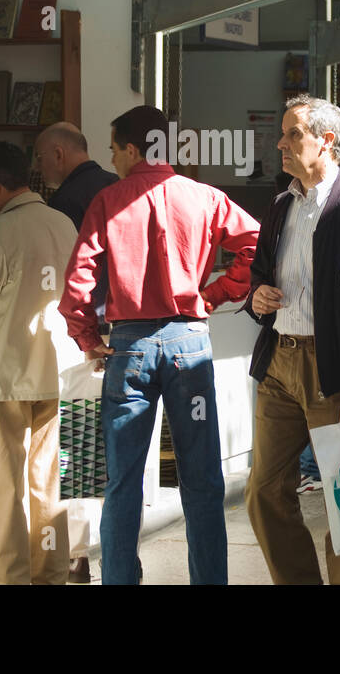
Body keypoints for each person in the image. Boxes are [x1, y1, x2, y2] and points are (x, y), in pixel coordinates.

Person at [58, 105, 260, 585]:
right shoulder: (206, 196)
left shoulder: (108, 201)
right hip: (189, 343)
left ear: (131, 148)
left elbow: (77, 284)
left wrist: (87, 337)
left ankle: (121, 579)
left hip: (128, 348)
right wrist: (212, 294)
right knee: (203, 480)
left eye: (113, 148)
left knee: (123, 482)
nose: (113, 158)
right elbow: (255, 245)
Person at [243, 94, 340, 585]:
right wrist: (258, 297)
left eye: (294, 134)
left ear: (327, 142)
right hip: (278, 366)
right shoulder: (279, 206)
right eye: (284, 134)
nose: (282, 144)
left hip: (332, 372)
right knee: (264, 493)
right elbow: (257, 277)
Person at [0, 141, 81, 584]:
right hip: (59, 371)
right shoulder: (63, 224)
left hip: (5, 379)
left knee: (5, 487)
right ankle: (51, 574)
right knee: (49, 482)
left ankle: (11, 577)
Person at [33, 121, 118, 583]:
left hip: (80, 340)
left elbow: (70, 278)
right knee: (97, 451)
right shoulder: (117, 188)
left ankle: (73, 554)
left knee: (71, 450)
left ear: (61, 154)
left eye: (42, 158)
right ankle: (97, 553)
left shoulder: (66, 202)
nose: (40, 167)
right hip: (119, 334)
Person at [35, 121, 120, 231]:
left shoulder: (63, 202)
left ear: (58, 155)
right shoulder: (118, 183)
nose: (36, 167)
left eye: (39, 158)